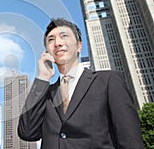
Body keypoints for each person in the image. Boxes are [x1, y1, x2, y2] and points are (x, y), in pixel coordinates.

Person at [17, 18, 144, 149]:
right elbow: (27, 132)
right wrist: (42, 78)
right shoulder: (46, 93)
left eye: (64, 36)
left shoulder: (108, 81)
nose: (57, 43)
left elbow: (130, 140)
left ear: (79, 46)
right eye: (51, 39)